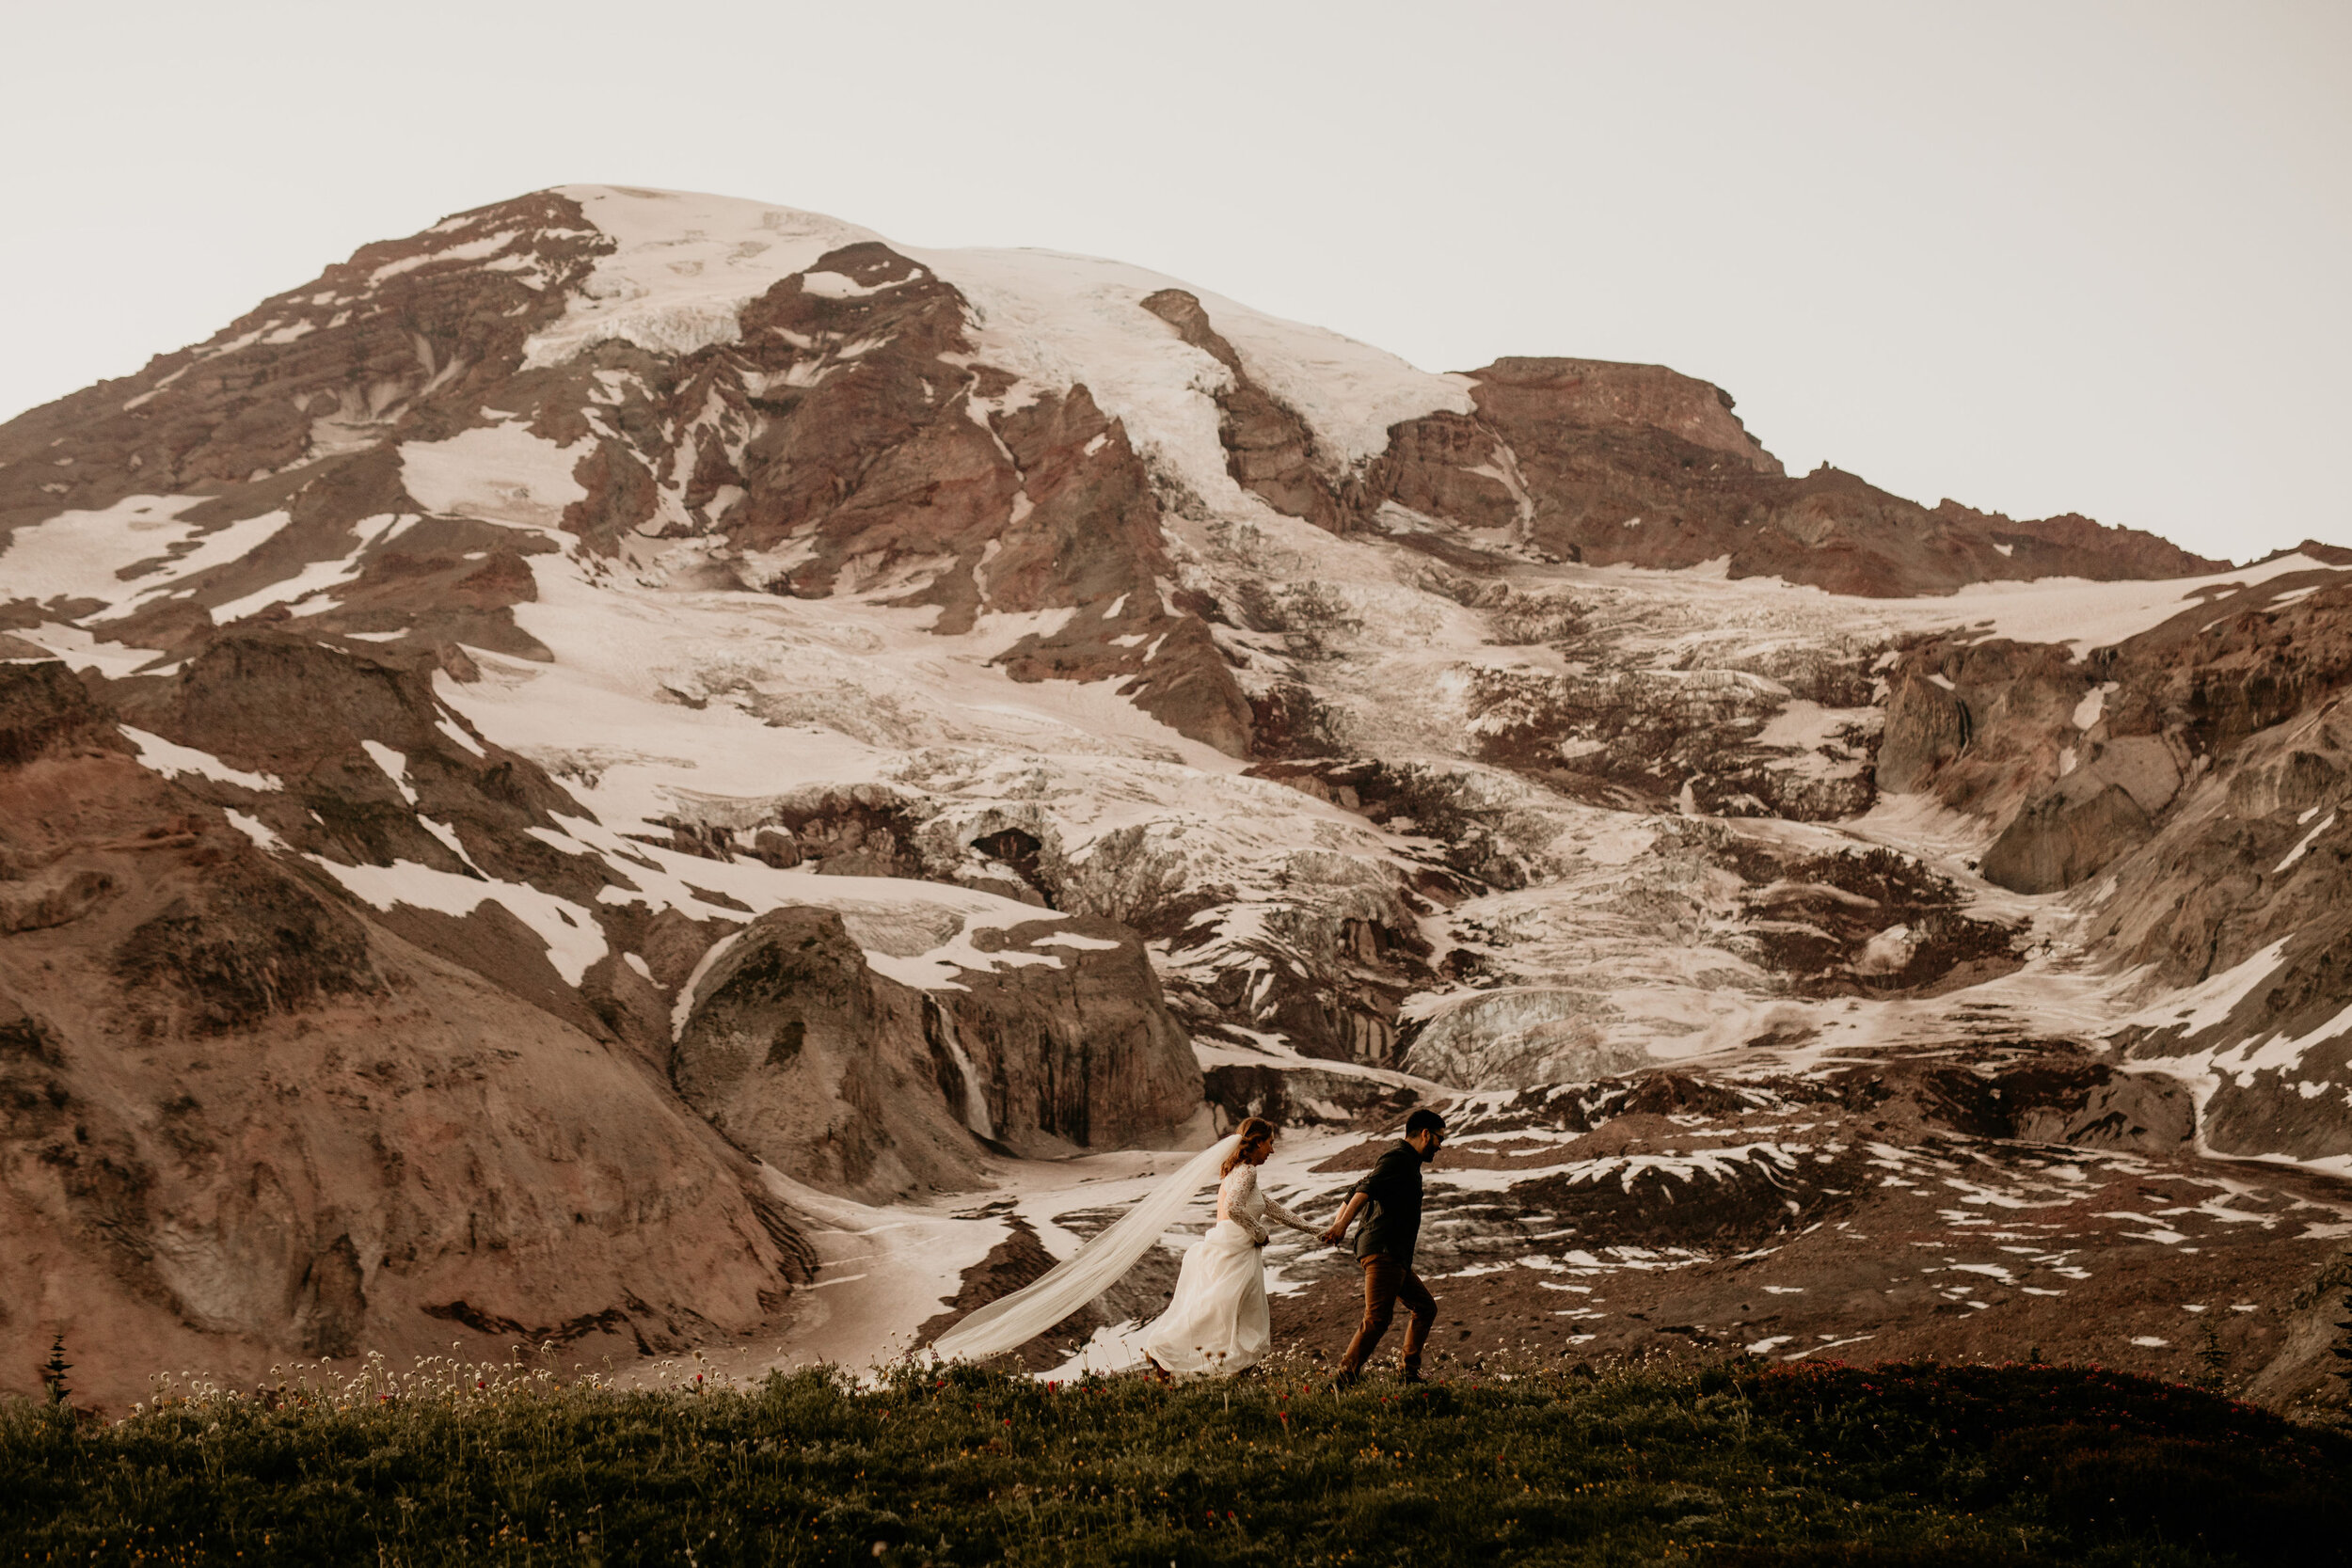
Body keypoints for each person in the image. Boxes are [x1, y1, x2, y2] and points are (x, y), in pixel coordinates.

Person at [1139, 1117, 1320, 1379]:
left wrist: (1318, 1232)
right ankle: (1168, 1354)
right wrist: (1259, 1233)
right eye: (1270, 1143)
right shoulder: (1247, 1172)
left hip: (1234, 1248)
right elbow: (1233, 1208)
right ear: (1257, 1142)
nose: (1272, 1150)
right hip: (1236, 1251)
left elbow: (1275, 1210)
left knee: (1226, 1313)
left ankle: (1230, 1373)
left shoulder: (1239, 1173)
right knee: (1230, 1315)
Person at [1321, 1107, 1446, 1386]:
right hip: (1384, 1250)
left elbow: (1355, 1188)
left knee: (1425, 1307)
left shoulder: (1405, 1161)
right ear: (1425, 1134)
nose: (1440, 1146)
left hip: (1394, 1254)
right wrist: (1340, 1226)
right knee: (1377, 1317)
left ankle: (1408, 1373)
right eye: (1439, 1138)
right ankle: (1343, 1378)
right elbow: (1364, 1191)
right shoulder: (1398, 1158)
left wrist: (1338, 1223)